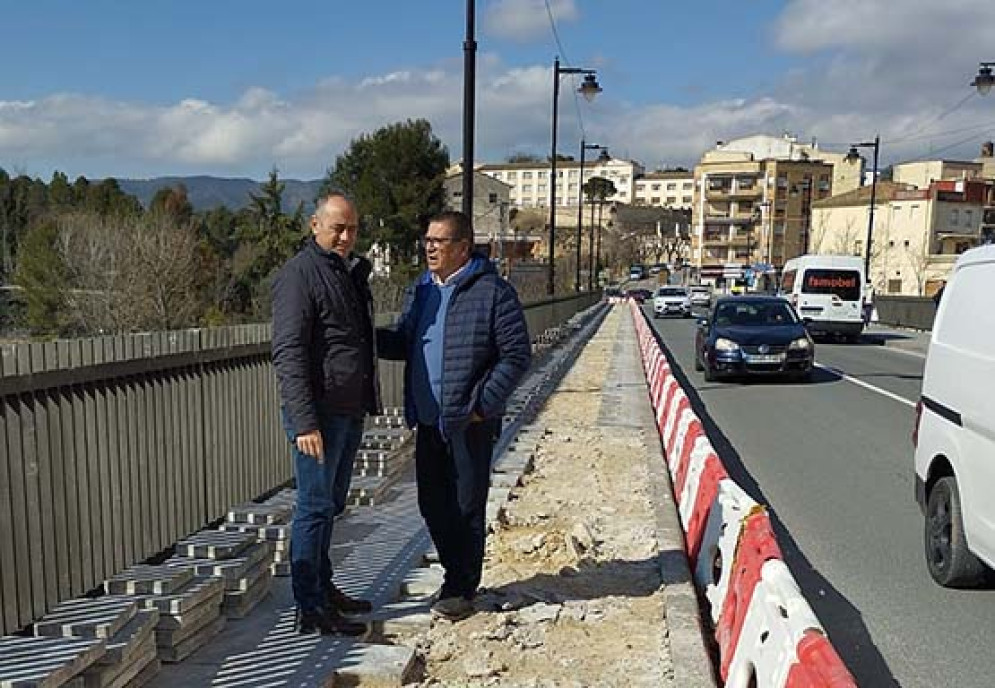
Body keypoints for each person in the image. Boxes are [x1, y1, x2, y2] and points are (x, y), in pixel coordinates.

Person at [378, 210, 531, 621]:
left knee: (466, 506)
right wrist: (365, 336)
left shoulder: (494, 292)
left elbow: (517, 355)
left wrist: (484, 405)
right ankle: (455, 573)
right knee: (432, 504)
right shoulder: (422, 290)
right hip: (428, 419)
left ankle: (461, 587)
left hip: (469, 421)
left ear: (462, 247)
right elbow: (405, 341)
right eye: (426, 240)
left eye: (439, 241)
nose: (429, 247)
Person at [271, 192, 379, 636]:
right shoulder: (300, 274)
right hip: (319, 415)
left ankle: (324, 586)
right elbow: (289, 352)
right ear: (315, 225)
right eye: (337, 227)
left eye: (352, 228)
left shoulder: (346, 273)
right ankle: (310, 606)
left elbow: (353, 339)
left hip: (347, 410)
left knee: (330, 506)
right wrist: (304, 422)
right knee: (314, 507)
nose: (346, 236)